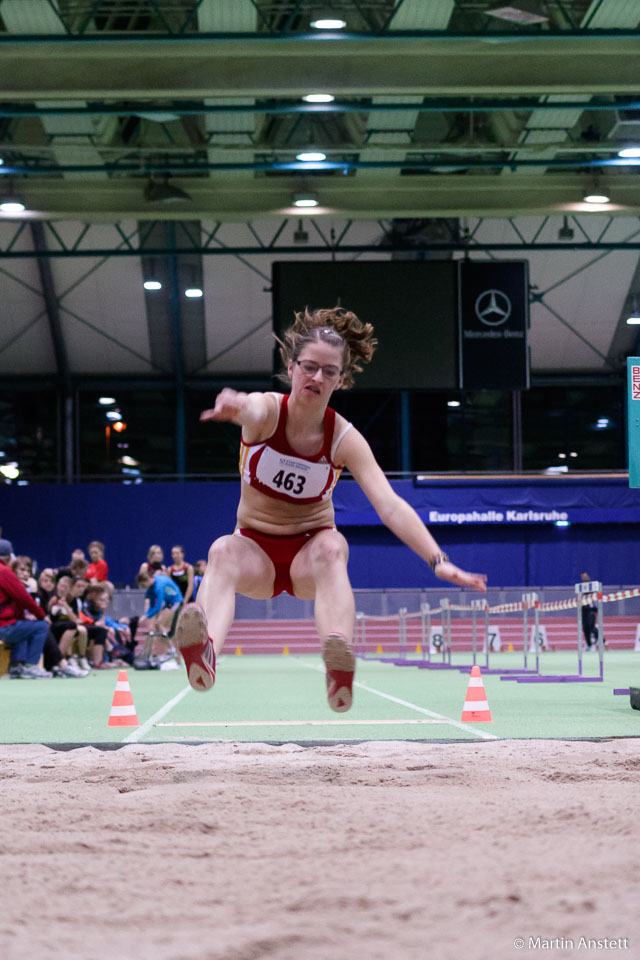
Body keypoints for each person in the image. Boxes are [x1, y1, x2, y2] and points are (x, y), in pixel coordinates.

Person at [175, 306, 487, 711]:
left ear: (340, 380)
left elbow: (389, 504)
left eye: (329, 371)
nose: (317, 377)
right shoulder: (267, 412)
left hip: (309, 555)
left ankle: (338, 667)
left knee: (333, 545)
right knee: (221, 550)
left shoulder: (343, 439)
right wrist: (235, 405)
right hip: (256, 554)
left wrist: (438, 560)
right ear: (292, 368)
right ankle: (205, 653)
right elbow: (250, 407)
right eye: (309, 367)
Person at [0, 539, 51, 679]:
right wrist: (42, 616)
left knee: (22, 626)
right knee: (41, 627)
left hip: (6, 624)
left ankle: (16, 666)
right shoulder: (4, 571)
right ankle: (31, 667)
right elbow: (24, 598)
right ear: (10, 557)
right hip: (3, 627)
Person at [580, 571, 599, 650]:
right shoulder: (581, 586)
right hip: (584, 609)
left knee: (591, 626)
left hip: (590, 609)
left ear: (588, 576)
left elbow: (596, 596)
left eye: (585, 576)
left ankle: (601, 641)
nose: (584, 578)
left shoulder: (592, 586)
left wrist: (595, 608)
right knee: (585, 628)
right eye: (583, 577)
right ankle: (589, 644)